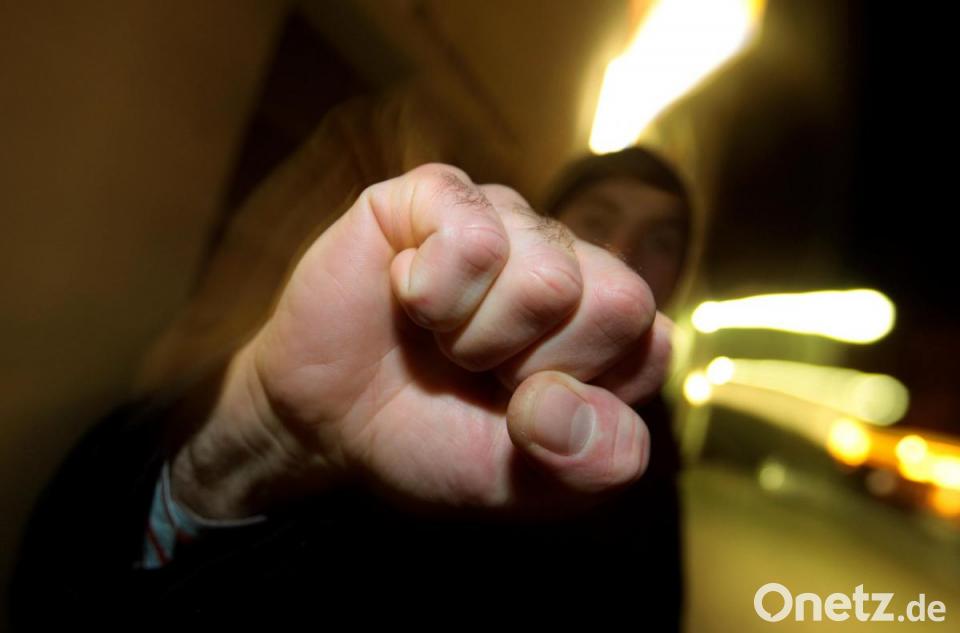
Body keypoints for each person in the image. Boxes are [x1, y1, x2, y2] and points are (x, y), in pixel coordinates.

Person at [10, 148, 691, 628]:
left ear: (682, 275)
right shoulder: (418, 359)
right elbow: (63, 591)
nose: (627, 250)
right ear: (551, 226)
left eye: (661, 239)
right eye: (598, 218)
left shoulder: (655, 461)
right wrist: (270, 432)